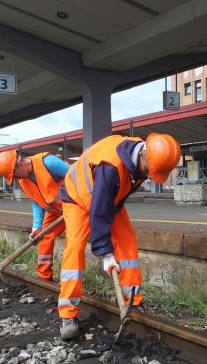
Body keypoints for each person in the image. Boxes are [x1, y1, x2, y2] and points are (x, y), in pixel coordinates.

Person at [57, 134, 180, 339]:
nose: (150, 176)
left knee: (126, 240)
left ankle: (133, 300)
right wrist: (106, 254)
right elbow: (98, 211)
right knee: (75, 247)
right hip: (77, 196)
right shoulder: (111, 167)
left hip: (107, 200)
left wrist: (109, 239)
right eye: (150, 171)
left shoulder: (141, 161)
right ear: (142, 154)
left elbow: (110, 201)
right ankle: (68, 313)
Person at [0, 150, 69, 282]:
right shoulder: (23, 180)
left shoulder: (49, 163)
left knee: (72, 242)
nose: (16, 179)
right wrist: (36, 227)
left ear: (20, 165)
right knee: (43, 238)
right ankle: (44, 278)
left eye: (15, 175)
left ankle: (68, 280)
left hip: (73, 206)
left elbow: (79, 176)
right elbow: (36, 200)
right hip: (55, 211)